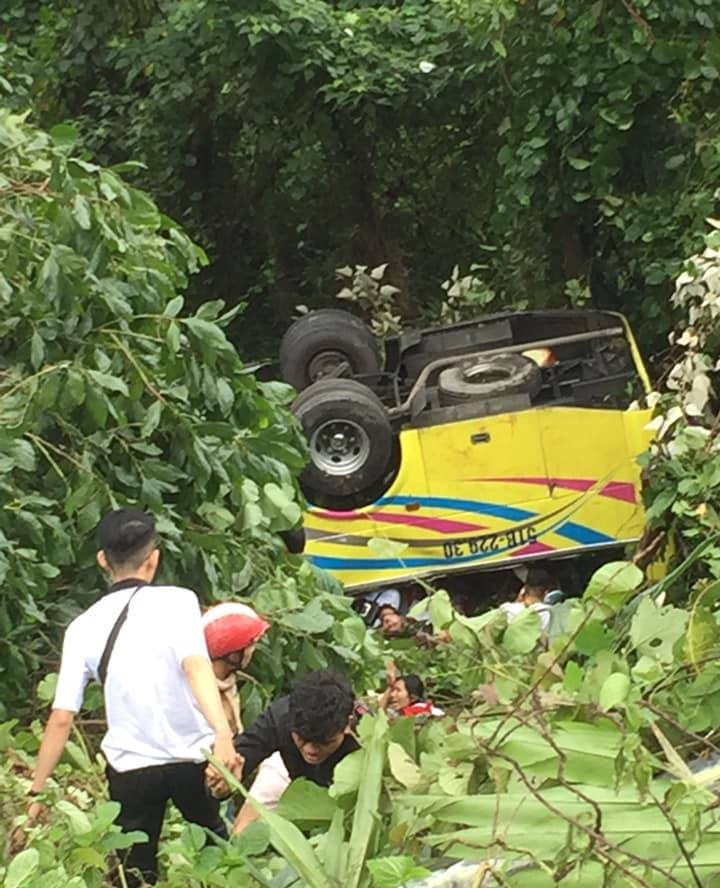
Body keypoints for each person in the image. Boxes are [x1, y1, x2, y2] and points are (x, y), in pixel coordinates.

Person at [23, 508, 240, 888]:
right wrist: (222, 733)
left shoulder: (82, 627)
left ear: (103, 560)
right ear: (154, 558)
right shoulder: (179, 601)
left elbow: (61, 718)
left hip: (130, 771)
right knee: (221, 862)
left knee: (133, 875)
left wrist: (36, 792)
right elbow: (196, 668)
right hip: (191, 760)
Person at [206, 670, 362, 831]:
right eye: (302, 738)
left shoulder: (364, 737)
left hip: (340, 793)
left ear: (347, 725)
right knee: (242, 833)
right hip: (285, 772)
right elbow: (239, 758)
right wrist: (224, 784)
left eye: (324, 742)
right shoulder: (280, 717)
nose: (311, 750)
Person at [203, 602, 271, 734]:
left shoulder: (228, 684)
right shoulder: (202, 692)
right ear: (233, 653)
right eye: (251, 645)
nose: (253, 651)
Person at [379, 663, 444, 718]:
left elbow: (378, 717)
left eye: (398, 690)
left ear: (413, 698)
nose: (391, 694)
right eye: (392, 690)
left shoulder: (419, 711)